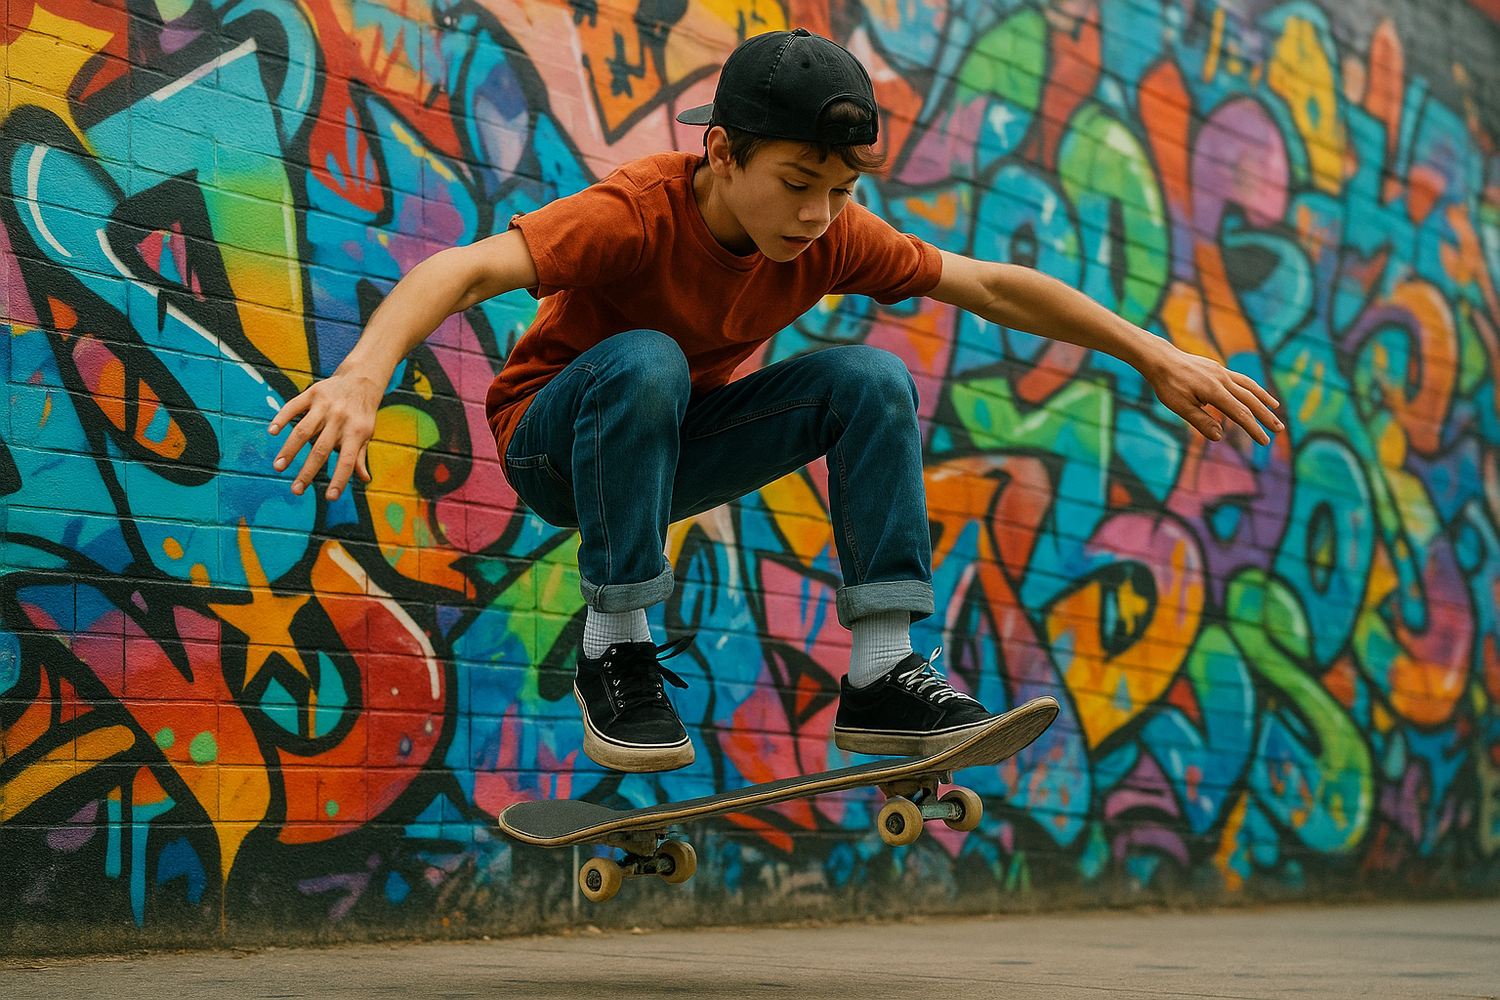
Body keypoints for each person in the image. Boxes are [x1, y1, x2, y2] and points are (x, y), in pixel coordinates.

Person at [268, 29, 1282, 774]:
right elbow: (466, 266)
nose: (818, 215)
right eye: (798, 182)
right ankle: (615, 651)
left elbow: (990, 284)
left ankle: (885, 674)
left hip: (671, 452)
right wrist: (363, 374)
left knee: (870, 377)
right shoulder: (638, 211)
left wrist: (1151, 353)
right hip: (555, 445)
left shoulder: (834, 234)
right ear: (722, 153)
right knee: (651, 358)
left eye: (839, 191)